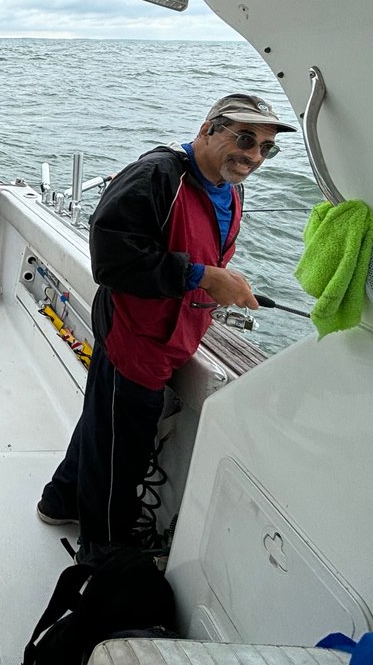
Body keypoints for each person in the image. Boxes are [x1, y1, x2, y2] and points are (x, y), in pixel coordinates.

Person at [36, 93, 294, 552]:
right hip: (134, 334)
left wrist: (213, 281)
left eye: (265, 148)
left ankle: (61, 500)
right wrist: (202, 276)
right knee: (123, 453)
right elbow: (112, 260)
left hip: (174, 333)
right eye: (245, 139)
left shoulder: (231, 185)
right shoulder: (155, 176)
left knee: (106, 425)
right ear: (210, 129)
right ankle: (104, 556)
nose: (254, 156)